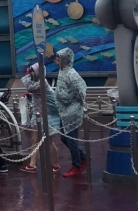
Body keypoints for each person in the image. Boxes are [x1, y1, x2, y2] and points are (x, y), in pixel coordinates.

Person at [19, 62, 62, 174]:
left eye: (32, 71)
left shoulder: (41, 82)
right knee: (35, 140)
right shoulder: (38, 82)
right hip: (38, 115)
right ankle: (32, 165)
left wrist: (27, 76)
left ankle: (56, 164)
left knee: (49, 141)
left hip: (48, 116)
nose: (31, 73)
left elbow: (30, 88)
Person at [54, 48, 87, 178]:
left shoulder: (71, 73)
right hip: (64, 110)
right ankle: (82, 156)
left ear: (64, 60)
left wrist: (75, 101)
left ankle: (77, 165)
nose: (56, 61)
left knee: (71, 139)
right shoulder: (62, 72)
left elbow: (81, 88)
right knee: (64, 137)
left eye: (58, 59)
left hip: (72, 111)